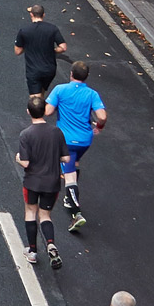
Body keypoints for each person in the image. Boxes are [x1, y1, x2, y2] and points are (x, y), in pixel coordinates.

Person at [45, 61, 107, 232]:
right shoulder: (92, 94)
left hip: (66, 140)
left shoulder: (61, 89)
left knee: (69, 175)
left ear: (71, 74)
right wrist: (99, 127)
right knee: (75, 164)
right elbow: (101, 116)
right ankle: (69, 197)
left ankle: (76, 212)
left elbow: (48, 111)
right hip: (85, 140)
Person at [16, 94, 70, 269]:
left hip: (32, 182)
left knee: (31, 212)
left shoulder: (26, 134)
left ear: (28, 112)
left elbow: (25, 162)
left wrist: (18, 158)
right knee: (45, 215)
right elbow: (66, 158)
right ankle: (51, 243)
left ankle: (32, 251)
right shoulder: (56, 132)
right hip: (52, 182)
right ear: (45, 112)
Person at [14, 4, 68, 97]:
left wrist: (28, 45)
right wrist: (53, 50)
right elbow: (63, 47)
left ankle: (38, 110)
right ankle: (41, 109)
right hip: (49, 70)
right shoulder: (52, 29)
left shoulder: (24, 31)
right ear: (43, 15)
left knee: (35, 99)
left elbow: (17, 51)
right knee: (41, 94)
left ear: (31, 14)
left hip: (34, 70)